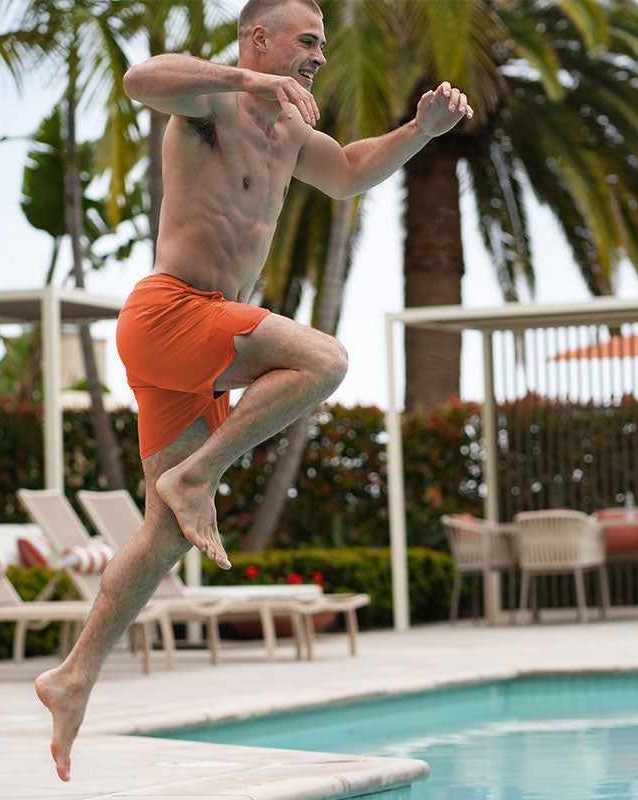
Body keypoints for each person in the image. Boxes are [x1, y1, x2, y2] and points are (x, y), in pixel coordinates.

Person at [35, 0, 474, 782]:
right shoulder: (213, 101)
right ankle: (198, 471)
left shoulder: (291, 133)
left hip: (195, 344)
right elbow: (140, 79)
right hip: (170, 311)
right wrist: (246, 78)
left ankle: (73, 677)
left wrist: (421, 133)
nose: (317, 57)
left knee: (164, 535)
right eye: (307, 41)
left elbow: (346, 176)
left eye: (323, 46)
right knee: (325, 361)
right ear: (258, 37)